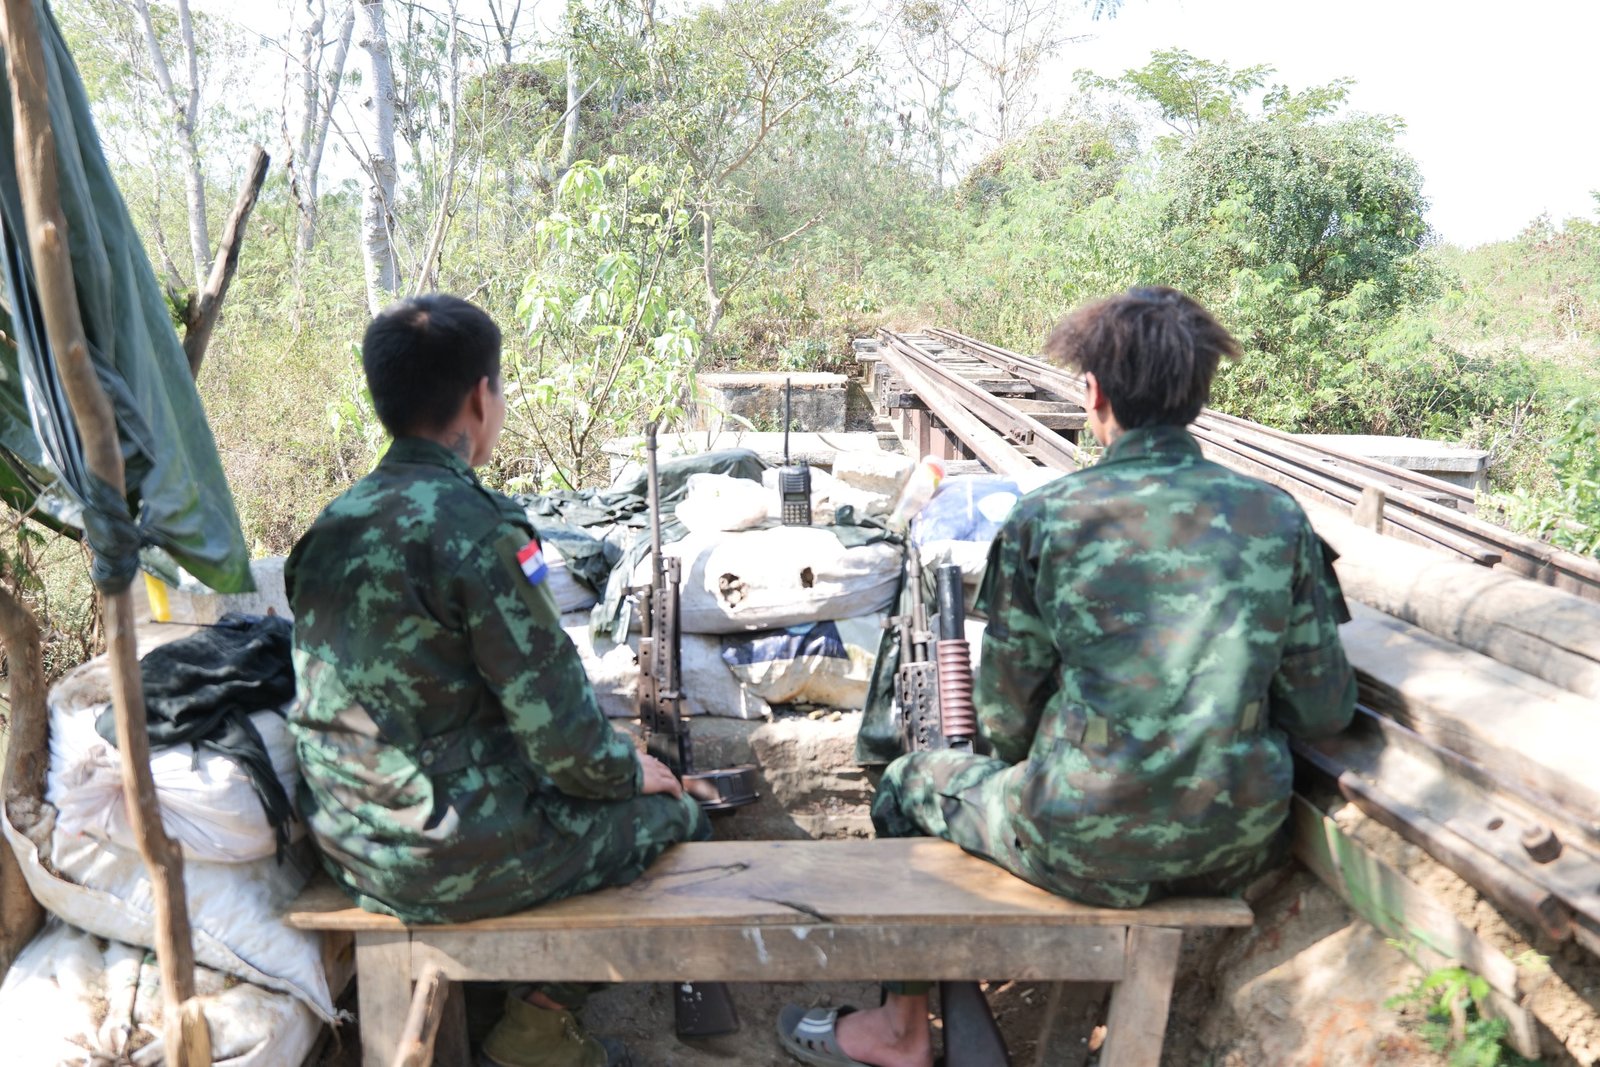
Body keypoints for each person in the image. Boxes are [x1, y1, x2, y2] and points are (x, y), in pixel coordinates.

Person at [779, 286, 1358, 1067]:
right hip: (1240, 840)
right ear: (1200, 393)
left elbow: (1006, 718)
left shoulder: (1047, 518)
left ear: (1092, 394)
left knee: (907, 782)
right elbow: (1324, 708)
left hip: (1083, 840)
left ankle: (901, 1028)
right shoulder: (1279, 515)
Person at [286, 294, 708, 1067]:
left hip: (348, 843)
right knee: (677, 822)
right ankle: (536, 1034)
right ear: (482, 396)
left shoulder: (328, 526)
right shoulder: (482, 529)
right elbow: (566, 745)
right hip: (444, 855)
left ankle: (491, 1013)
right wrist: (633, 773)